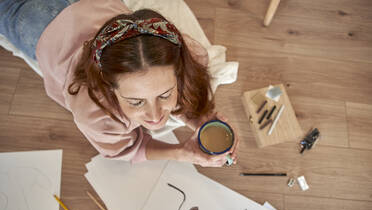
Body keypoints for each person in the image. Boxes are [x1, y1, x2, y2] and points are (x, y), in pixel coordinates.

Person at [0, 0, 238, 167]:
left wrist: (197, 117)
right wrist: (181, 153)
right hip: (35, 23)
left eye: (165, 95)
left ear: (179, 74)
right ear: (108, 87)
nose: (155, 116)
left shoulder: (188, 54)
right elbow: (125, 151)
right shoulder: (94, 111)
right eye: (136, 101)